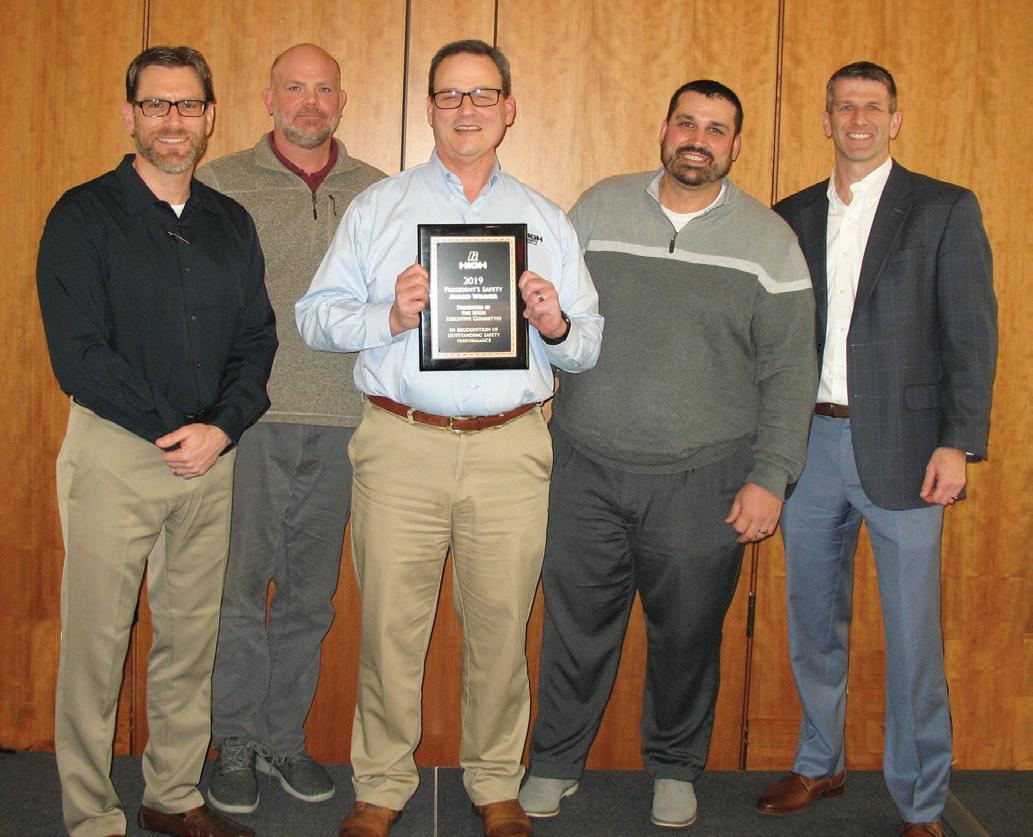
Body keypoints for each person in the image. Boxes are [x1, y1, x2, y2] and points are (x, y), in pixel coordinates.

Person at [296, 38, 602, 837]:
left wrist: (553, 323)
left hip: (510, 447)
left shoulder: (545, 219)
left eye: (482, 94)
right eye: (449, 95)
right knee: (389, 627)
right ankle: (380, 783)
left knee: (501, 625)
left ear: (508, 108)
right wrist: (389, 316)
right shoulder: (379, 208)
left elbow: (587, 344)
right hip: (401, 443)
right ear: (429, 108)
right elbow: (314, 317)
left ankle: (495, 779)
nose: (466, 110)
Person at [519, 80, 817, 830]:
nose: (698, 139)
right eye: (687, 123)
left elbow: (790, 373)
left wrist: (770, 477)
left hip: (704, 476)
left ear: (734, 145)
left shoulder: (770, 240)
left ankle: (676, 768)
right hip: (585, 465)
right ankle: (554, 760)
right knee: (574, 627)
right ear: (663, 130)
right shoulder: (597, 208)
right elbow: (547, 312)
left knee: (687, 636)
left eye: (715, 129)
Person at [36, 46, 277, 837]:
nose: (173, 120)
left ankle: (172, 793)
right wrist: (176, 428)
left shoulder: (229, 222)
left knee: (190, 635)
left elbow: (256, 339)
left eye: (187, 105)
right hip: (117, 452)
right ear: (130, 116)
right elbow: (78, 352)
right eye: (156, 105)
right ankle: (90, 815)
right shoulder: (82, 215)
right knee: (97, 642)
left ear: (210, 119)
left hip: (210, 457)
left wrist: (221, 427)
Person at [755, 62, 997, 837]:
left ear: (894, 120)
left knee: (911, 637)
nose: (856, 119)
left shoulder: (942, 208)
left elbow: (971, 335)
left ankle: (920, 801)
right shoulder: (790, 215)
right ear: (825, 119)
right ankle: (819, 760)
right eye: (843, 107)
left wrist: (957, 442)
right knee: (811, 620)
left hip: (908, 451)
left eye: (871, 107)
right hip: (810, 444)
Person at [194, 43, 386, 816]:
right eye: (294, 88)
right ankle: (234, 741)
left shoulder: (376, 191)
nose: (310, 102)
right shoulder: (219, 183)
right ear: (269, 99)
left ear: (342, 101)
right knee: (238, 593)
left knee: (310, 598)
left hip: (345, 423)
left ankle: (282, 738)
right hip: (247, 423)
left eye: (324, 89)